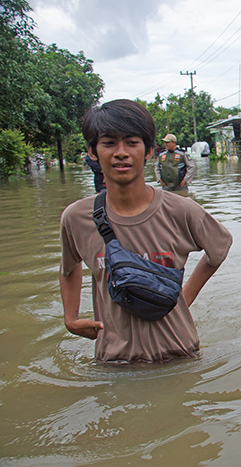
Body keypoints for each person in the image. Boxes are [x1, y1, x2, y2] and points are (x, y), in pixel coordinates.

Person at [59, 99, 232, 364]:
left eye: (131, 142)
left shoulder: (181, 210)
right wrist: (70, 320)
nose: (121, 152)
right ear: (92, 152)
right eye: (108, 143)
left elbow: (219, 249)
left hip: (179, 355)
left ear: (149, 151)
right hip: (115, 361)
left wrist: (182, 299)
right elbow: (68, 269)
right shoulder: (76, 218)